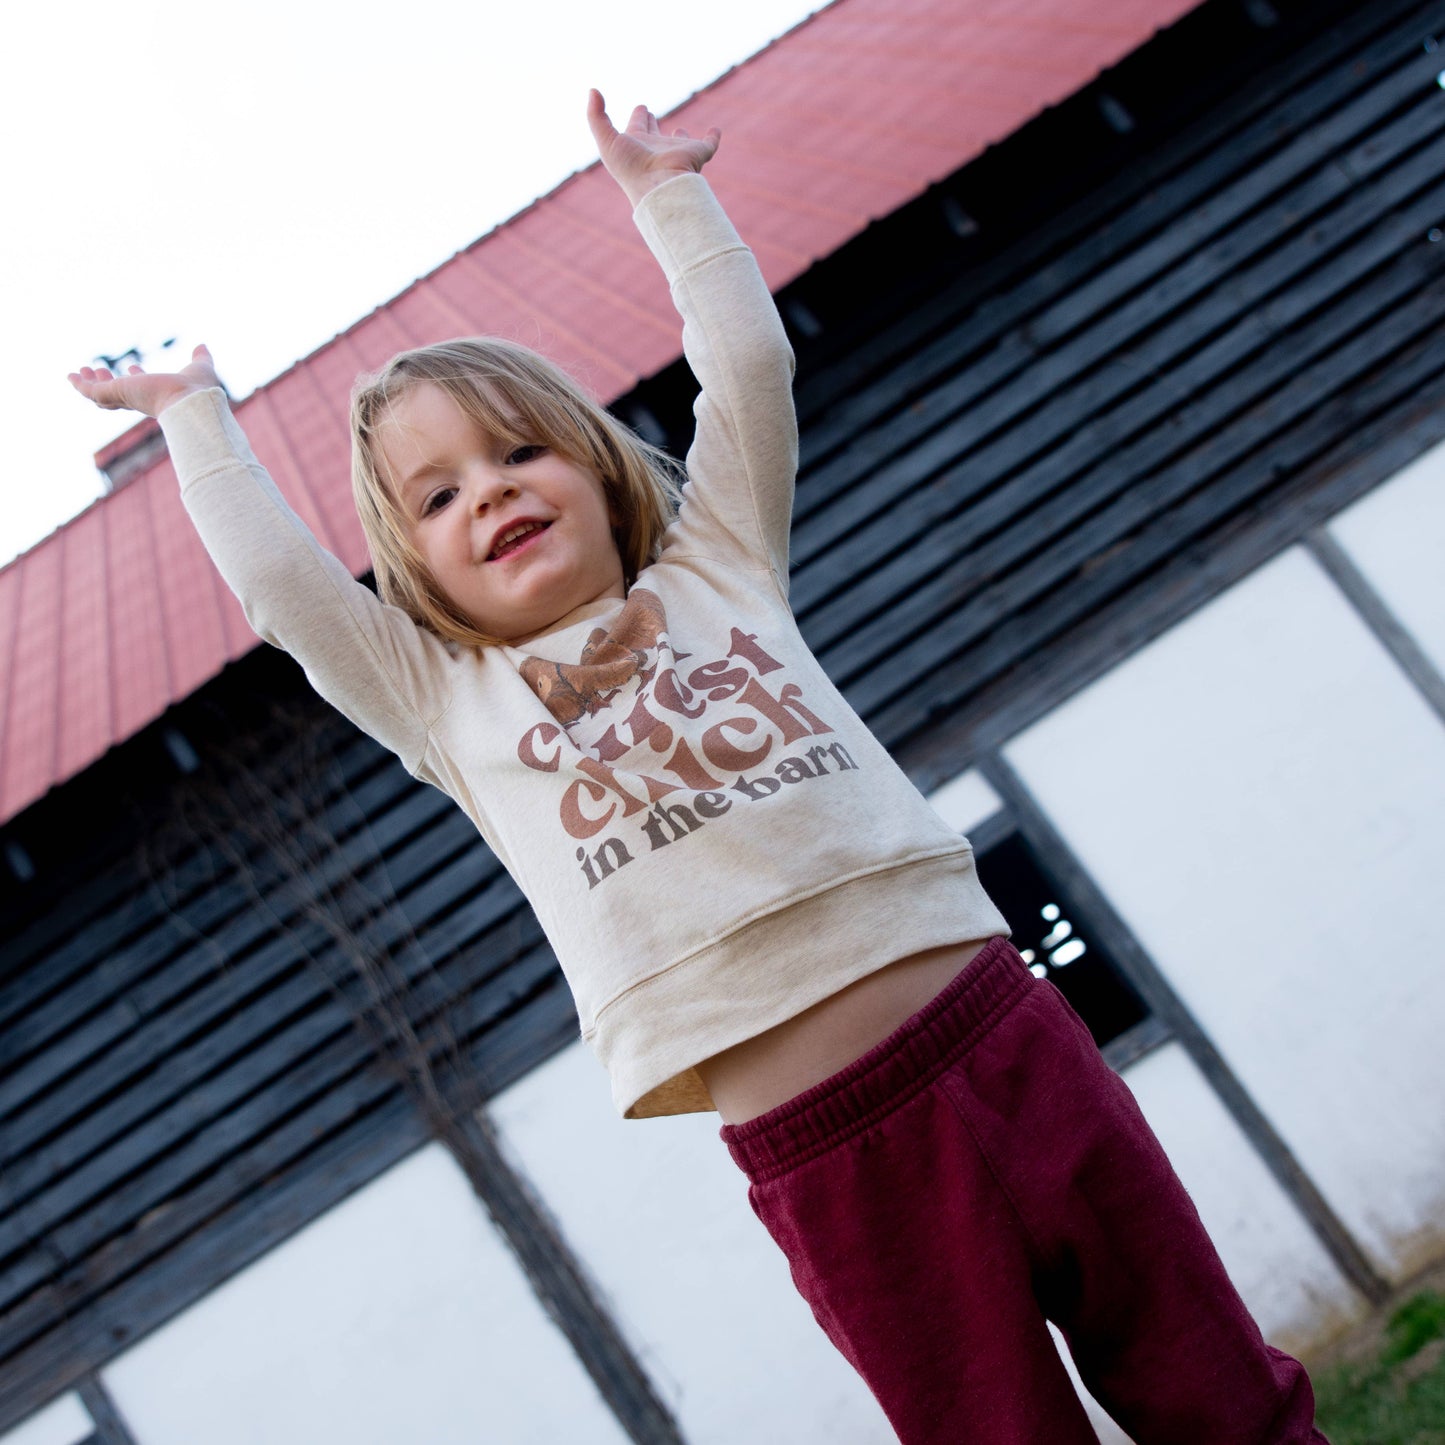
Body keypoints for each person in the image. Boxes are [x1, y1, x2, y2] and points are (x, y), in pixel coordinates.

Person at [70, 93, 1327, 1444]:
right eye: (435, 497)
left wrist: (670, 198)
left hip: (1000, 1028)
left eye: (516, 448)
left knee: (1212, 1381)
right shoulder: (445, 703)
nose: (486, 490)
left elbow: (745, 371)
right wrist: (196, 418)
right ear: (411, 569)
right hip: (832, 1154)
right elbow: (282, 590)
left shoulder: (719, 560)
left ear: (600, 469)